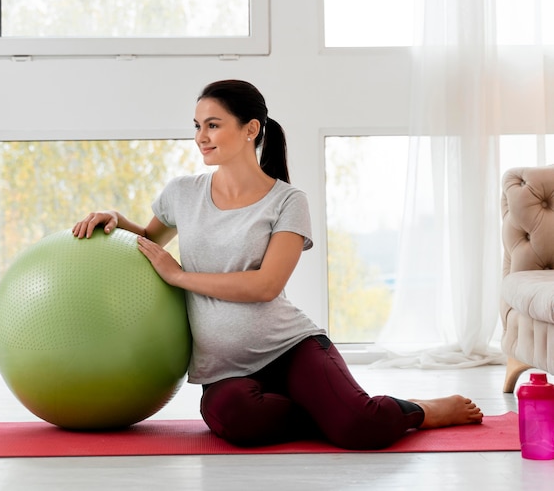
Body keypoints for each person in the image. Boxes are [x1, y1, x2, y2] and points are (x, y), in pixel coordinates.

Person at [72, 79, 483, 449]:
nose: (201, 137)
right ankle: (331, 412)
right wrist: (115, 221)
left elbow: (265, 286)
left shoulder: (287, 201)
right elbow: (149, 240)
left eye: (213, 125)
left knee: (361, 429)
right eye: (197, 126)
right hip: (225, 368)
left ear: (251, 129)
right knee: (234, 421)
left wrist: (179, 276)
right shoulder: (182, 192)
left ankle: (421, 409)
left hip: (290, 347)